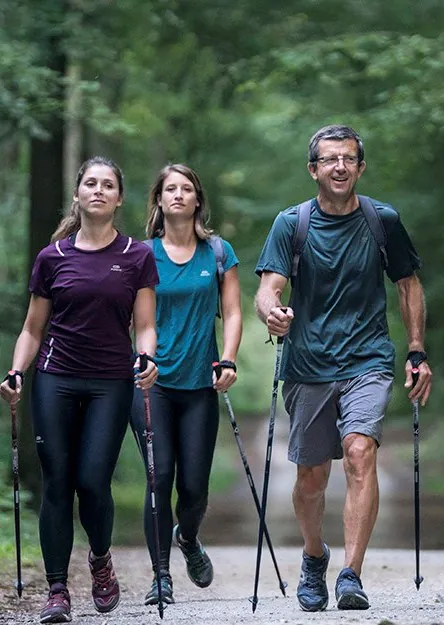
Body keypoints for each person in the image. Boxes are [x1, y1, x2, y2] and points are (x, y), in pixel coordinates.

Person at [254, 125, 432, 612]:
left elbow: (408, 284)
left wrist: (415, 349)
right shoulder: (291, 224)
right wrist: (272, 310)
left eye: (348, 159)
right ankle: (315, 557)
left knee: (359, 452)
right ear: (313, 169)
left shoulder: (383, 221)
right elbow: (268, 287)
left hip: (368, 358)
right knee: (311, 476)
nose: (339, 166)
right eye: (329, 159)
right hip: (308, 363)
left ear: (360, 166)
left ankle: (351, 574)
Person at [0, 156, 159, 624]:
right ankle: (56, 590)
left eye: (108, 184)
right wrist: (16, 371)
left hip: (111, 381)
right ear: (77, 194)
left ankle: (100, 557)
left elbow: (145, 325)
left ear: (119, 198)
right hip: (55, 378)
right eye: (90, 183)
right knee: (57, 481)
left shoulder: (136, 255)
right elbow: (33, 328)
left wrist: (146, 358)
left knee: (92, 481)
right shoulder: (53, 258)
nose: (98, 190)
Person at [130, 163, 242, 606]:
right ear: (158, 200)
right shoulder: (141, 255)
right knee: (159, 478)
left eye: (186, 188)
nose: (178, 195)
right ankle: (161, 577)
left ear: (198, 199)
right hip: (150, 383)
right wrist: (143, 358)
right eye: (169, 189)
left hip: (199, 384)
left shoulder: (217, 253)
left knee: (194, 485)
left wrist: (229, 359)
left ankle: (189, 538)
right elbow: (136, 319)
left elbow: (232, 312)